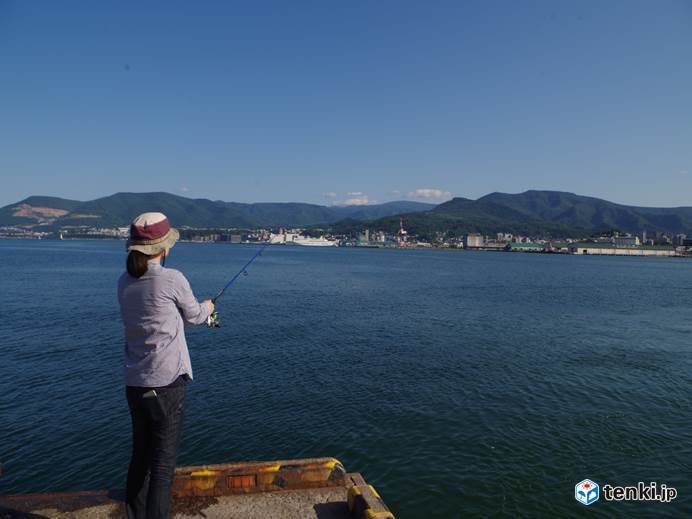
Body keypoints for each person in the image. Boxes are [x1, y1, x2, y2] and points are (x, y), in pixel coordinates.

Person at [117, 212, 214, 519]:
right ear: (163, 247)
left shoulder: (124, 282)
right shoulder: (172, 278)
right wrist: (210, 306)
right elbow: (196, 316)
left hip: (135, 383)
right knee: (162, 467)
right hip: (167, 385)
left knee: (140, 459)